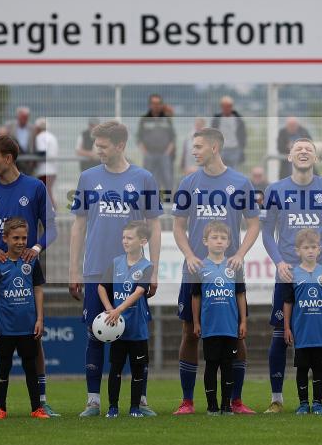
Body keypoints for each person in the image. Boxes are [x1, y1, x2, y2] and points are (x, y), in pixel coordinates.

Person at [69, 121, 162, 418]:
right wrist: (74, 270)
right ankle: (93, 401)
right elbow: (78, 225)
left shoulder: (144, 178)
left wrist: (154, 269)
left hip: (133, 272)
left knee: (135, 337)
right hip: (96, 269)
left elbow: (155, 225)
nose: (98, 150)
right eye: (96, 145)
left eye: (103, 146)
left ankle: (140, 400)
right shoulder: (87, 178)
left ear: (120, 145)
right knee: (95, 332)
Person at [0, 135, 58, 419]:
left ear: (8, 158)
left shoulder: (35, 188)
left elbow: (52, 228)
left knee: (34, 338)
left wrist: (36, 248)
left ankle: (41, 402)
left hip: (26, 276)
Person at [171, 128, 259, 415]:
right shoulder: (188, 183)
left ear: (214, 148)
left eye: (198, 146)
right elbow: (178, 226)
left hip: (229, 272)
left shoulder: (240, 182)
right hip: (196, 272)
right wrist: (189, 255)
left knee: (236, 333)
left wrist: (240, 254)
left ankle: (236, 400)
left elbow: (254, 224)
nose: (193, 151)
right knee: (190, 332)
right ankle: (187, 401)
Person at [261, 138, 322, 414]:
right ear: (289, 157)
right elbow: (266, 233)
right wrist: (279, 262)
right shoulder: (275, 190)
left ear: (316, 158)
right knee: (279, 334)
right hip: (289, 275)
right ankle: (276, 399)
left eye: (309, 149)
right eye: (298, 149)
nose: (304, 151)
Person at [0, 218, 48, 420]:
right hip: (5, 326)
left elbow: (37, 290)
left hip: (28, 326)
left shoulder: (32, 261)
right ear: (5, 238)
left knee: (31, 366)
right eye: (16, 238)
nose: (21, 242)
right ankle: (0, 408)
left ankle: (37, 408)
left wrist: (39, 319)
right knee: (4, 366)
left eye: (24, 238)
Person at [190, 222, 248, 416]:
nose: (219, 241)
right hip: (210, 327)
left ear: (228, 242)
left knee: (227, 366)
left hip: (230, 326)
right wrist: (196, 322)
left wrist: (243, 321)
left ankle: (226, 405)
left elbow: (240, 294)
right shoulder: (199, 267)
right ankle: (212, 406)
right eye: (214, 238)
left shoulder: (234, 266)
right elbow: (196, 297)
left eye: (223, 238)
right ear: (205, 241)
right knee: (211, 365)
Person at [98, 221, 154, 419]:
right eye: (123, 237)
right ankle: (112, 408)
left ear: (143, 241)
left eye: (129, 238)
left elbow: (139, 292)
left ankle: (135, 408)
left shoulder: (147, 266)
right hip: (116, 329)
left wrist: (119, 309)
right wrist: (109, 309)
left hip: (137, 329)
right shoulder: (116, 262)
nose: (125, 241)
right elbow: (101, 287)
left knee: (138, 370)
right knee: (115, 369)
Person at [282, 229, 322, 416]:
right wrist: (287, 327)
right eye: (306, 247)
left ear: (319, 249)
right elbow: (288, 302)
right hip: (301, 332)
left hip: (320, 331)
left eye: (313, 247)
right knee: (302, 369)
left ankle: (318, 403)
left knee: (320, 369)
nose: (310, 251)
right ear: (298, 251)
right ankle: (303, 404)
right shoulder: (292, 274)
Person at [137, 94, 177, 194]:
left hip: (164, 155)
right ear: (150, 104)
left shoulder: (167, 119)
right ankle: (149, 200)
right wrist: (145, 152)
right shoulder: (144, 119)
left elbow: (172, 138)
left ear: (161, 105)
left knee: (167, 179)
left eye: (158, 103)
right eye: (153, 103)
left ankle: (169, 201)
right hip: (149, 155)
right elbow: (139, 138)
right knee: (148, 180)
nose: (156, 105)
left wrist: (167, 152)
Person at [210, 96, 247, 169]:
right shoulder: (216, 119)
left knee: (233, 170)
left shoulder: (238, 119)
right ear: (221, 107)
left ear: (231, 107)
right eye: (224, 106)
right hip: (220, 150)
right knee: (219, 170)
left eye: (229, 106)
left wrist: (241, 148)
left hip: (234, 149)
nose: (227, 108)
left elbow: (243, 134)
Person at [33, 118, 59, 208]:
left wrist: (32, 158)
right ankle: (52, 210)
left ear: (38, 128)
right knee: (48, 191)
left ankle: (52, 211)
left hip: (44, 170)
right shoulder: (52, 136)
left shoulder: (40, 137)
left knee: (46, 192)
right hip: (53, 170)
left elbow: (42, 152)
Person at [7, 106, 37, 174]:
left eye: (26, 117)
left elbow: (34, 144)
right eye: (23, 117)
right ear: (18, 116)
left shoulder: (32, 128)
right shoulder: (10, 127)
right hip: (14, 158)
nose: (24, 119)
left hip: (28, 160)